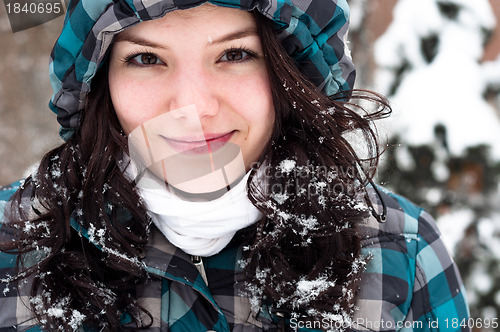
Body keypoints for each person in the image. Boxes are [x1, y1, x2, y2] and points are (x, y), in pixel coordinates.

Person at [0, 0, 470, 331]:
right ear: (99, 84)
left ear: (291, 74)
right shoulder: (11, 243)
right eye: (146, 58)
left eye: (235, 54)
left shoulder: (400, 252)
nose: (194, 106)